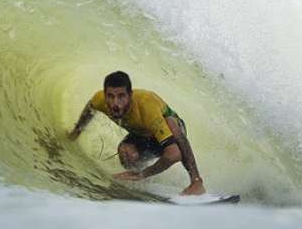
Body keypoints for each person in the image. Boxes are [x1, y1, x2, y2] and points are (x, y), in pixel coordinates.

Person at [68, 71, 206, 196]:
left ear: (130, 95)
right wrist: (76, 131)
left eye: (121, 96)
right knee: (126, 154)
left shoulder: (146, 106)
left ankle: (196, 182)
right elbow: (90, 107)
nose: (115, 103)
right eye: (110, 96)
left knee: (172, 124)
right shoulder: (100, 99)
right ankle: (138, 179)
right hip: (143, 136)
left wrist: (143, 174)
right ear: (105, 95)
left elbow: (174, 154)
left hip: (171, 133)